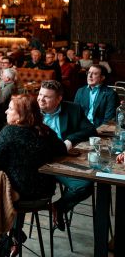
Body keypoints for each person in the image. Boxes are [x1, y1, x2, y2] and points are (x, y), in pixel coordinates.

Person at [0, 95, 67, 257]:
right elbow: (62, 150)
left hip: (18, 199)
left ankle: (5, 241)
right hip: (45, 195)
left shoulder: (9, 132)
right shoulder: (44, 130)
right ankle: (13, 237)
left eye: (10, 109)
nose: (6, 111)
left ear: (21, 115)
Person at [37, 80, 97, 231]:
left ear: (59, 99)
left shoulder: (73, 109)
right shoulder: (31, 111)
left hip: (63, 160)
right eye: (40, 94)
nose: (41, 99)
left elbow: (90, 130)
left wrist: (70, 140)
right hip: (39, 164)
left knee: (85, 186)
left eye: (47, 96)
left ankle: (58, 207)